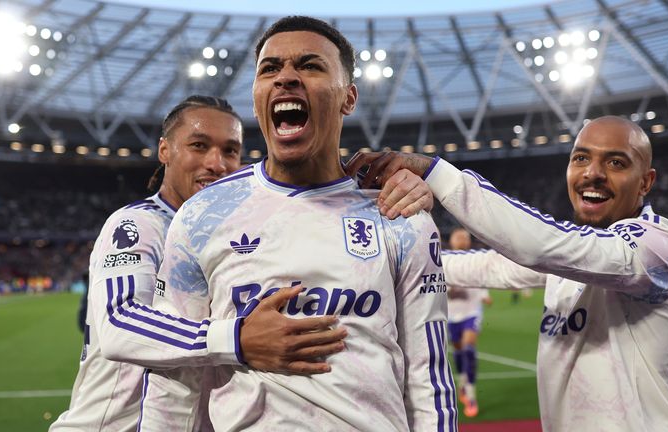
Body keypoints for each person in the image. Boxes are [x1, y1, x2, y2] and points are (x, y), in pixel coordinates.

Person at [140, 16, 455, 431]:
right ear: (256, 97)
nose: (286, 78)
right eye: (269, 69)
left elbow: (427, 377)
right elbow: (176, 381)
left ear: (349, 97)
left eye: (310, 65)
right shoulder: (202, 216)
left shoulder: (399, 213)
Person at [346, 116, 668, 431]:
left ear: (646, 182)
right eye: (581, 158)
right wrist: (388, 259)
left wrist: (435, 173)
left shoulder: (659, 248)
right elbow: (486, 265)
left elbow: (542, 245)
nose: (593, 173)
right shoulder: (573, 259)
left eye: (616, 162)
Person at [50, 96, 351, 432]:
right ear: (165, 150)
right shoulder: (138, 225)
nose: (217, 163)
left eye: (230, 151)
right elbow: (119, 323)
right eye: (199, 145)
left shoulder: (233, 236)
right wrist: (236, 339)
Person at [443, 228, 491, 418]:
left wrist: (485, 295)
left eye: (465, 237)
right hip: (451, 314)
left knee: (468, 348)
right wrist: (450, 287)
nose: (462, 239)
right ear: (452, 240)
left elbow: (483, 280)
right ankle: (463, 381)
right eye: (458, 236)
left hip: (472, 311)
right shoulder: (444, 260)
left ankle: (470, 396)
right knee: (458, 351)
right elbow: (439, 287)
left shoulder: (475, 259)